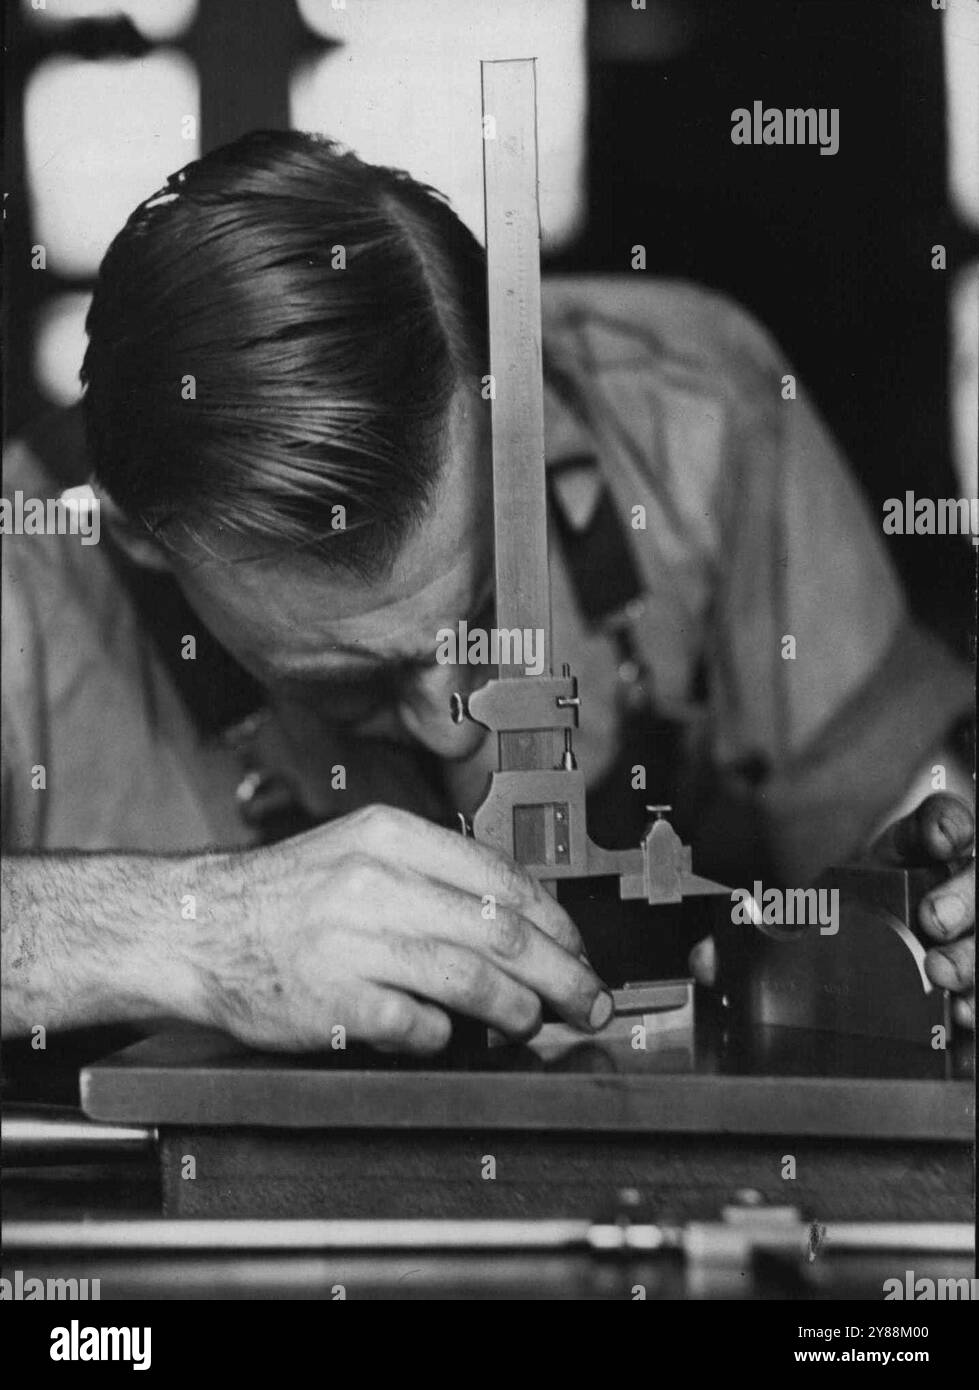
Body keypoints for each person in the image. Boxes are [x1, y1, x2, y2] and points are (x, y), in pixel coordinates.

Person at [2, 131, 973, 1055]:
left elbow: (920, 821)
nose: (454, 727)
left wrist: (916, 913)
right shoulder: (24, 583)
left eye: (481, 611)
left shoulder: (685, 412)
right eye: (356, 681)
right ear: (135, 529)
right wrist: (208, 927)